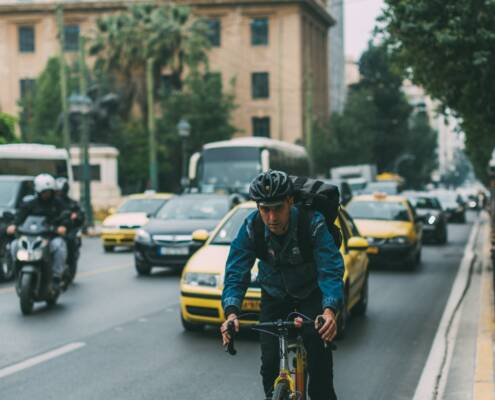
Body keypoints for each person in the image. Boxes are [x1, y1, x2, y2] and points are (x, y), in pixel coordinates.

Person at [220, 170, 344, 400]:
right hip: (274, 295)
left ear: (290, 201)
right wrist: (231, 312)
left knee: (320, 366)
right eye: (265, 209)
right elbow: (236, 271)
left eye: (278, 208)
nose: (272, 217)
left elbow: (330, 269)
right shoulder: (252, 227)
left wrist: (329, 310)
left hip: (311, 293)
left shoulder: (312, 222)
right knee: (269, 365)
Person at [6, 174, 68, 291]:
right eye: (44, 192)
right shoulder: (30, 204)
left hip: (49, 236)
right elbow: (20, 216)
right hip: (29, 236)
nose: (47, 194)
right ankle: (16, 270)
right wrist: (13, 225)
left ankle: (56, 276)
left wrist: (63, 226)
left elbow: (65, 217)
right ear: (38, 191)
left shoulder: (58, 204)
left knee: (59, 246)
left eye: (49, 192)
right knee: (14, 245)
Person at [55, 177, 85, 270]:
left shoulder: (72, 203)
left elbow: (81, 215)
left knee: (70, 240)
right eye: (57, 191)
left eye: (60, 191)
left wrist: (76, 216)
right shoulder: (50, 203)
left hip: (68, 229)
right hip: (51, 228)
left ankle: (69, 262)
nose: (58, 193)